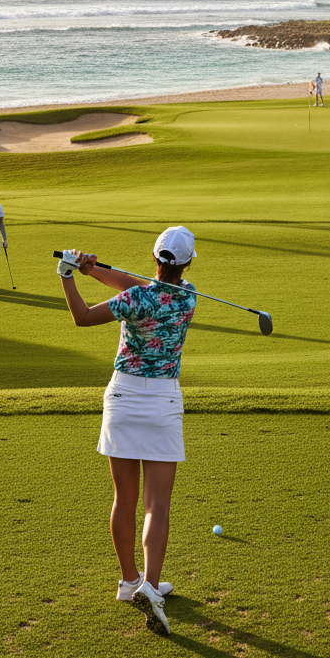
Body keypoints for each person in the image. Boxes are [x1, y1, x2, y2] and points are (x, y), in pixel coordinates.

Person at [56, 226, 198, 636]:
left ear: (153, 255)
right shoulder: (188, 296)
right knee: (158, 504)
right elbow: (149, 284)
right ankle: (151, 587)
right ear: (187, 263)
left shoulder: (134, 298)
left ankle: (128, 582)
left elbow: (83, 318)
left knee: (126, 498)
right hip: (163, 403)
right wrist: (93, 268)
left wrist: (70, 275)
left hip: (123, 398)